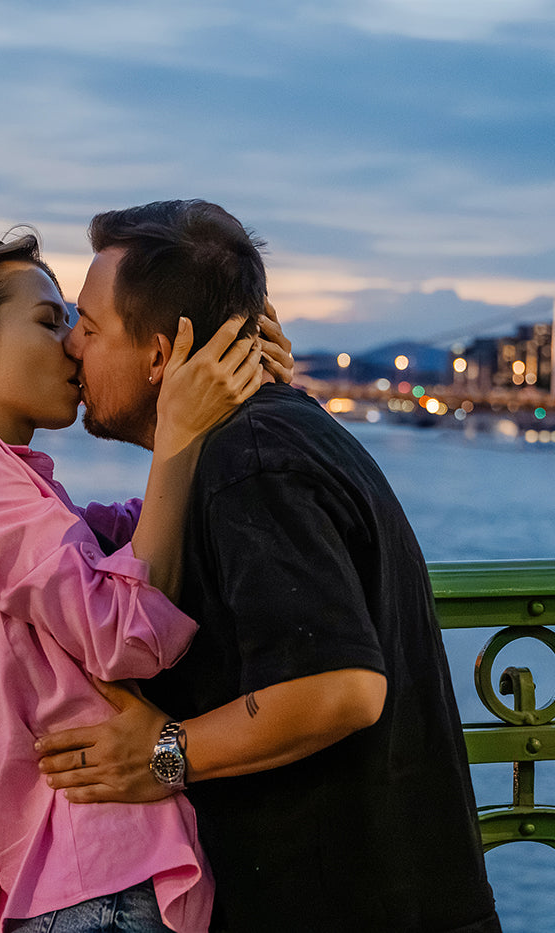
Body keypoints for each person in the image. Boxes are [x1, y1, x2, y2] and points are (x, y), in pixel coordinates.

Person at [35, 200, 502, 933]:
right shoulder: (266, 436)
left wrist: (162, 754)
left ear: (161, 354)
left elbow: (340, 688)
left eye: (88, 329)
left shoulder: (250, 458)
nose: (69, 347)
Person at [0, 223, 289, 933]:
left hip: (100, 877)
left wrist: (228, 397)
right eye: (48, 319)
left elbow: (138, 529)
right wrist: (181, 437)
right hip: (101, 874)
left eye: (73, 318)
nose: (71, 339)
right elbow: (125, 632)